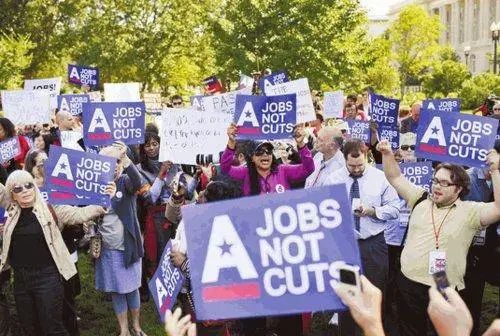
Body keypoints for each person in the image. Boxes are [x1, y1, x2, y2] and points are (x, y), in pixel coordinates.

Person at [377, 139, 500, 336]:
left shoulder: (470, 211)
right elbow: (395, 177)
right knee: (409, 330)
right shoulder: (419, 198)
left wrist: (494, 170)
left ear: (459, 188)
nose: (436, 187)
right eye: (435, 180)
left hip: (444, 285)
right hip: (409, 281)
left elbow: (498, 208)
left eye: (444, 183)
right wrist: (387, 154)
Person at [0, 170, 110, 336]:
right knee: (30, 328)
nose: (25, 191)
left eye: (29, 185)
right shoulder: (12, 208)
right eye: (18, 189)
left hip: (48, 278)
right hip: (21, 281)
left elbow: (78, 214)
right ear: (11, 194)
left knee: (52, 328)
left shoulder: (51, 208)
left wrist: (102, 203)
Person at [325, 138, 400, 335]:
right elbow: (324, 210)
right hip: (345, 246)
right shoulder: (333, 179)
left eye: (360, 165)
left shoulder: (381, 178)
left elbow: (394, 208)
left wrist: (372, 211)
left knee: (373, 292)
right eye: (352, 165)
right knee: (348, 293)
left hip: (373, 245)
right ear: (344, 159)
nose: (357, 169)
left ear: (366, 156)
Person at [93, 143, 147, 336]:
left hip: (128, 247)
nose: (113, 165)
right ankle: (124, 330)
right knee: (116, 290)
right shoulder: (95, 185)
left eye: (116, 161)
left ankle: (136, 326)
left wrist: (126, 159)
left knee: (132, 289)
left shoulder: (124, 181)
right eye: (108, 161)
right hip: (108, 248)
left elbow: (138, 182)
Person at [221, 123, 314, 196]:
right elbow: (225, 168)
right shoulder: (246, 172)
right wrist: (231, 142)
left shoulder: (282, 170)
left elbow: (308, 169)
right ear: (252, 158)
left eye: (268, 151)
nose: (265, 154)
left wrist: (301, 144)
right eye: (259, 151)